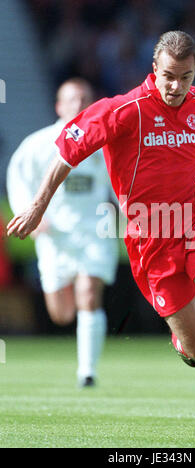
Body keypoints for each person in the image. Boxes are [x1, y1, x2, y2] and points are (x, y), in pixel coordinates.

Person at [7, 31, 195, 435]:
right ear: (154, 69)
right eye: (169, 76)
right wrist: (38, 204)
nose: (176, 86)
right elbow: (65, 152)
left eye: (186, 77)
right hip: (151, 241)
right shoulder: (122, 110)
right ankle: (184, 343)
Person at [6, 78, 118, 387]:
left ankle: (87, 372)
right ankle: (80, 341)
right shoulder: (39, 144)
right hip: (55, 236)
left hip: (95, 232)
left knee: (89, 294)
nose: (79, 105)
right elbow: (17, 178)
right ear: (59, 106)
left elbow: (119, 181)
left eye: (85, 99)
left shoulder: (105, 142)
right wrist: (28, 215)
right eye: (73, 100)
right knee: (62, 314)